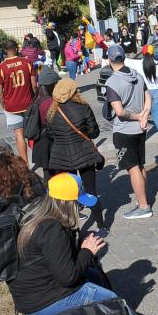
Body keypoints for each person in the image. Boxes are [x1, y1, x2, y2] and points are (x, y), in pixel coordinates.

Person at [8, 173, 115, 315]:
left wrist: (80, 243)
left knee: (95, 275)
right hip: (39, 302)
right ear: (67, 203)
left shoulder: (43, 214)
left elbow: (61, 258)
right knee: (113, 301)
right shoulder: (52, 229)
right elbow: (68, 278)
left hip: (36, 290)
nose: (81, 208)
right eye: (79, 204)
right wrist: (87, 251)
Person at [46, 78, 106, 231]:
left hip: (62, 157)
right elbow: (94, 132)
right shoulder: (83, 108)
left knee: (68, 194)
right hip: (84, 154)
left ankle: (72, 229)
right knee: (91, 192)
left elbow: (50, 134)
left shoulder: (53, 112)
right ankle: (102, 226)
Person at [104, 45, 153, 220]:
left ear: (109, 60)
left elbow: (119, 112)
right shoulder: (136, 74)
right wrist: (145, 115)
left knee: (132, 168)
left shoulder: (112, 82)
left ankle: (143, 206)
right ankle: (143, 199)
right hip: (139, 129)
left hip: (124, 130)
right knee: (140, 165)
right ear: (124, 58)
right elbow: (148, 96)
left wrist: (138, 116)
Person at [0, 40, 38, 163]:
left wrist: (3, 105)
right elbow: (34, 85)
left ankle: (25, 164)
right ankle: (39, 157)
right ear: (16, 48)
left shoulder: (0, 68)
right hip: (28, 103)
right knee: (34, 130)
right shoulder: (27, 62)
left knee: (19, 134)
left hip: (12, 106)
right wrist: (35, 98)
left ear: (5, 50)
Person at [137, 45, 158, 142]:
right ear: (153, 53)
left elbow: (126, 61)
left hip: (143, 92)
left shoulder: (138, 64)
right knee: (156, 115)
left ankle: (141, 138)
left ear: (143, 53)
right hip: (155, 91)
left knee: (142, 115)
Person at [30, 66, 59, 177]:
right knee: (58, 174)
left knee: (47, 173)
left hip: (40, 142)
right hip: (51, 140)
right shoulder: (51, 102)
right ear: (52, 85)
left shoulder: (38, 99)